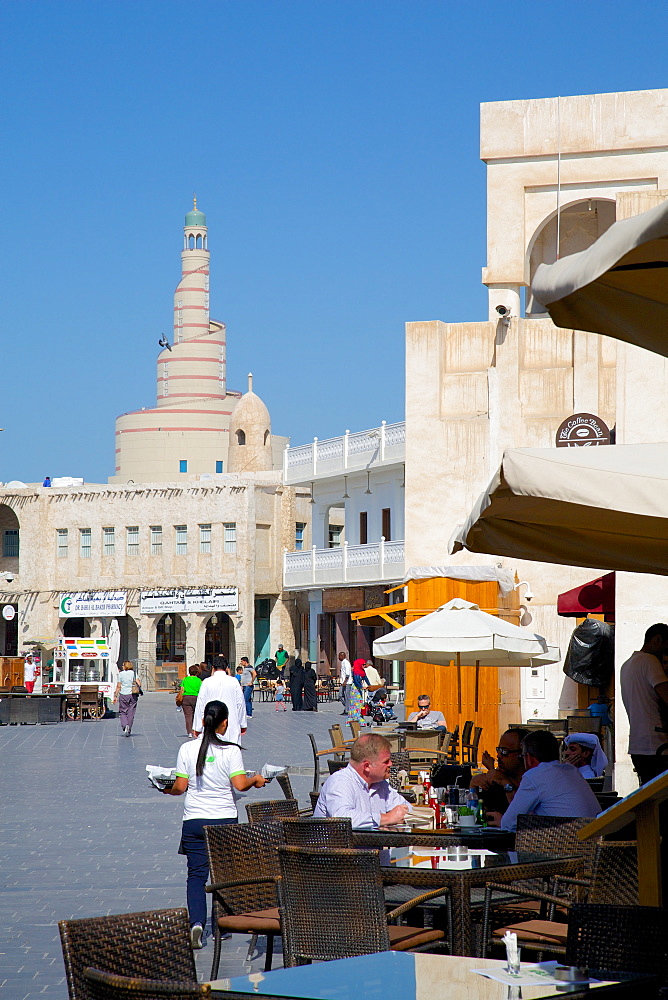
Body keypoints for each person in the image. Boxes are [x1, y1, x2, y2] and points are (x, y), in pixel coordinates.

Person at [162, 700, 266, 949]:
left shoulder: (187, 749)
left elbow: (180, 787)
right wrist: (256, 780)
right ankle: (222, 923)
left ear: (202, 721)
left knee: (197, 875)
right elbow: (240, 785)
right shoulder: (231, 751)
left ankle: (197, 923)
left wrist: (165, 789)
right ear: (225, 722)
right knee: (222, 873)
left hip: (194, 820)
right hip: (223, 820)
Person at [489, 730, 600, 832]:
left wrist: (502, 821)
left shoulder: (535, 775)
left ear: (528, 758)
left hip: (567, 846)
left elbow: (509, 824)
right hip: (595, 843)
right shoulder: (571, 770)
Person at [314, 732, 411, 828]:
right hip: (334, 843)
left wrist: (403, 814)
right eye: (386, 761)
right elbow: (341, 819)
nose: (391, 764)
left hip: (371, 841)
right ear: (367, 766)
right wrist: (387, 818)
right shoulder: (340, 782)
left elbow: (406, 808)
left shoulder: (380, 783)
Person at [620, 623, 668, 785]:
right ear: (658, 640)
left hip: (638, 745)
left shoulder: (627, 664)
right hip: (656, 745)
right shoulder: (650, 661)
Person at [471, 727, 530, 814]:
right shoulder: (497, 783)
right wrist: (473, 786)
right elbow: (478, 815)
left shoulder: (532, 781)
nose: (498, 755)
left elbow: (520, 815)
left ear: (522, 754)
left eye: (504, 751)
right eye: (498, 750)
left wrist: (506, 784)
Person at [192, 656, 246, 743]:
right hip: (231, 723)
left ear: (213, 668)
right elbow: (240, 704)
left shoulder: (207, 682)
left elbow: (200, 705)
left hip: (211, 722)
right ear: (226, 668)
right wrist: (242, 723)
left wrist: (197, 726)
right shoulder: (234, 681)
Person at [114, 660, 141, 736]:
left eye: (123, 665)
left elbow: (119, 686)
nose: (122, 666)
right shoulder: (134, 673)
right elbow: (139, 683)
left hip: (123, 694)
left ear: (126, 666)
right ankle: (129, 727)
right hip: (132, 694)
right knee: (131, 712)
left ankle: (125, 725)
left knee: (122, 711)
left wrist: (115, 695)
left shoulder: (121, 674)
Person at [178, 665, 202, 736]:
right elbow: (201, 690)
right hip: (196, 697)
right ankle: (196, 730)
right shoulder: (199, 680)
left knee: (188, 716)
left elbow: (182, 688)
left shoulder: (185, 679)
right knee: (196, 714)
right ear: (197, 672)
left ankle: (189, 732)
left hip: (186, 698)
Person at [349, 659, 369, 723]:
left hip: (359, 689)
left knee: (360, 703)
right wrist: (361, 687)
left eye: (364, 664)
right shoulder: (355, 672)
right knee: (356, 704)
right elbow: (356, 681)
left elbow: (366, 679)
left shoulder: (362, 671)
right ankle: (355, 718)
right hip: (355, 689)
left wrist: (370, 686)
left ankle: (359, 716)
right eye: (363, 664)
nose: (364, 665)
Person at [338, 651, 352, 715]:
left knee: (347, 696)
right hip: (343, 682)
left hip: (347, 682)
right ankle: (347, 706)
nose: (339, 657)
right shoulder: (342, 663)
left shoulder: (346, 663)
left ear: (343, 656)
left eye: (340, 656)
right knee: (340, 695)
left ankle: (347, 709)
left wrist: (345, 681)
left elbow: (347, 673)